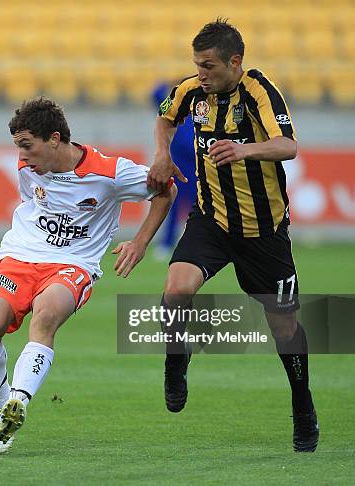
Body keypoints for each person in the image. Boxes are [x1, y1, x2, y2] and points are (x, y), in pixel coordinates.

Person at [147, 19, 319, 452]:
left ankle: (303, 407)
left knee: (284, 327)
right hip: (212, 222)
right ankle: (176, 362)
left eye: (208, 65)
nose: (200, 73)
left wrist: (244, 149)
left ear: (234, 62)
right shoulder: (191, 91)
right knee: (175, 290)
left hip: (264, 232)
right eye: (196, 65)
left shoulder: (260, 91)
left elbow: (289, 146)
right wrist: (162, 157)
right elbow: (165, 119)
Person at [0, 97, 177, 454]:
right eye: (19, 147)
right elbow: (32, 203)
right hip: (19, 256)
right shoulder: (28, 165)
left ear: (53, 139)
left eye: (27, 145)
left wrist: (141, 243)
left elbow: (166, 190)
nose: (22, 155)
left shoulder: (110, 172)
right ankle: (2, 401)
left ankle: (19, 400)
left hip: (73, 264)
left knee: (47, 313)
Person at [151, 82, 197, 256]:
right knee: (171, 207)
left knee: (200, 211)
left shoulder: (199, 116)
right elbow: (156, 94)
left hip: (196, 173)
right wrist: (172, 83)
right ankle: (167, 243)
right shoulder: (172, 112)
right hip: (176, 169)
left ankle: (196, 243)